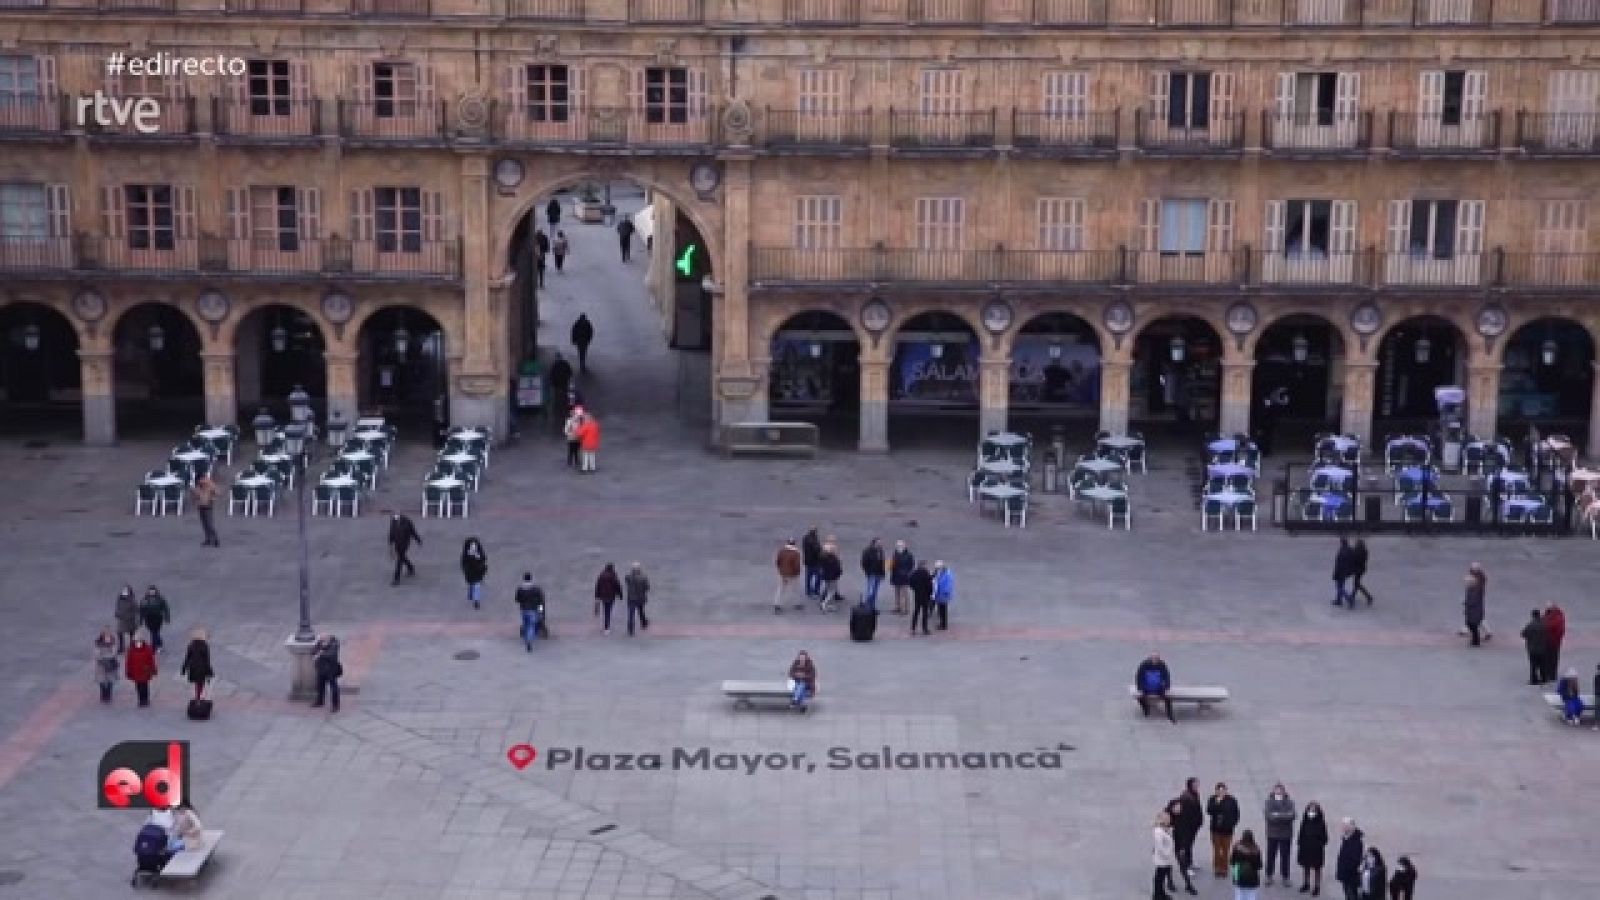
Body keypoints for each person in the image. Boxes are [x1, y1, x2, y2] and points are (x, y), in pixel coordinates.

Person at [1171, 778, 1203, 894]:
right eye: (1195, 784)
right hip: (1186, 829)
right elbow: (1186, 815)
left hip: (1192, 827)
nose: (1197, 786)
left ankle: (1190, 862)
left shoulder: (1194, 794)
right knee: (1185, 847)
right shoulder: (1186, 798)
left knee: (1190, 846)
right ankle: (1186, 867)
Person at [1164, 797, 1198, 895]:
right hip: (1168, 845)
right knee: (1168, 864)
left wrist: (1184, 846)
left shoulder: (1183, 816)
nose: (1179, 809)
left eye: (1180, 807)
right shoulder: (1166, 817)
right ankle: (1170, 882)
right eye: (1177, 807)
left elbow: (1186, 832)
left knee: (1183, 865)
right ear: (1172, 808)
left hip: (1179, 845)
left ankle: (1188, 885)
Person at [1263, 783, 1296, 887]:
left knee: (1285, 856)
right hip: (1272, 834)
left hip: (1286, 834)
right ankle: (1269, 875)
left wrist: (1277, 815)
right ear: (1273, 791)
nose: (1278, 791)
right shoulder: (1269, 802)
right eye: (1276, 790)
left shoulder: (1289, 802)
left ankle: (1285, 876)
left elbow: (1292, 815)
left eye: (1280, 790)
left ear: (1284, 791)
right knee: (1270, 855)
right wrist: (1283, 816)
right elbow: (1268, 816)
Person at [1207, 782, 1240, 879]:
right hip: (1215, 830)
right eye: (1219, 790)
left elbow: (1236, 813)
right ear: (1216, 791)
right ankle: (1217, 868)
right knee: (1217, 850)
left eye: (1223, 790)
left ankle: (1224, 868)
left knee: (1226, 850)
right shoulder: (1212, 799)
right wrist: (1218, 802)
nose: (1221, 792)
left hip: (1227, 830)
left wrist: (1232, 823)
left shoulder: (1232, 800)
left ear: (1226, 790)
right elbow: (1209, 811)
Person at [1297, 801, 1329, 895]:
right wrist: (1301, 844)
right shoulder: (1305, 821)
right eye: (1310, 809)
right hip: (1305, 849)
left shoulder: (1321, 823)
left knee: (1317, 869)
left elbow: (1325, 838)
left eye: (1314, 810)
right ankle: (1306, 884)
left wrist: (1318, 844)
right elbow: (1301, 834)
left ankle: (1316, 887)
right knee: (1305, 867)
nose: (1311, 811)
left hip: (1316, 850)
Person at [1135, 653, 1176, 723]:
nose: (1155, 660)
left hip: (1159, 688)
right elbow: (1139, 677)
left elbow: (1167, 677)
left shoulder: (1163, 665)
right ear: (1150, 658)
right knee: (1140, 698)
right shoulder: (1144, 665)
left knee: (1168, 699)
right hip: (1146, 688)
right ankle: (1146, 709)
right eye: (1153, 658)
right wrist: (1140, 687)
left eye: (1156, 658)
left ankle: (1170, 715)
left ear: (1159, 659)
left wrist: (1166, 686)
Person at [132, 817, 172, 885]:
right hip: (154, 859)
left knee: (144, 862)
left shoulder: (142, 836)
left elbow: (135, 849)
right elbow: (164, 847)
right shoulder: (161, 835)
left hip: (142, 860)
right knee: (166, 856)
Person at [514, 573, 546, 652]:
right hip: (533, 609)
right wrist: (541, 611)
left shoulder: (520, 589)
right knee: (531, 625)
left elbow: (517, 599)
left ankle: (526, 638)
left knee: (525, 624)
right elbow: (541, 601)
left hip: (524, 609)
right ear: (531, 579)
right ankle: (529, 640)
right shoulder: (536, 589)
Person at [1334, 818, 1365, 900]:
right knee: (1347, 894)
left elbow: (1354, 859)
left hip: (1350, 876)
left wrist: (1346, 870)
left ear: (1351, 827)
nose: (1342, 828)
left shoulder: (1356, 842)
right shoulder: (1346, 838)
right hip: (1345, 874)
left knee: (1351, 895)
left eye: (1345, 826)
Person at [125, 630, 157, 708]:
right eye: (137, 641)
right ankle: (140, 699)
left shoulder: (147, 649)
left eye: (140, 640)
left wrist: (153, 669)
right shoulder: (131, 650)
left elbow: (151, 660)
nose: (138, 642)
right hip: (136, 671)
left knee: (145, 686)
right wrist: (128, 671)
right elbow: (128, 661)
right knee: (138, 686)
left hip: (145, 671)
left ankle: (145, 699)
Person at [179, 629, 212, 701]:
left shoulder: (191, 645)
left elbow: (187, 657)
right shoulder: (205, 646)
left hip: (193, 667)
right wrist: (209, 672)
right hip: (202, 667)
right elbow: (207, 660)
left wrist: (183, 668)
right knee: (200, 683)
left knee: (196, 683)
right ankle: (198, 698)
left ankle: (197, 697)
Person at [1230, 829, 1264, 900]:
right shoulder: (1256, 849)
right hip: (1252, 878)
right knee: (1251, 895)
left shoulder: (1237, 847)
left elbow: (1232, 862)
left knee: (1239, 894)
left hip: (1238, 874)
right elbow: (1259, 866)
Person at [388, 513, 422, 584]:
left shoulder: (407, 522)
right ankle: (411, 568)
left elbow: (413, 532)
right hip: (397, 543)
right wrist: (391, 544)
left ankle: (396, 579)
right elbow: (391, 533)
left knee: (399, 560)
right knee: (402, 557)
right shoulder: (393, 521)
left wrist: (418, 540)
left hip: (405, 543)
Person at [312, 634, 342, 712]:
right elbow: (314, 651)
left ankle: (335, 706)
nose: (322, 641)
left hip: (330, 670)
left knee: (334, 687)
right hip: (321, 669)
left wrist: (321, 653)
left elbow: (331, 655)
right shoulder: (319, 642)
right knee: (320, 686)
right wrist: (320, 650)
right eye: (321, 639)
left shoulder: (334, 644)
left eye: (323, 639)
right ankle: (320, 701)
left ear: (328, 639)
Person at [1152, 810, 1177, 900]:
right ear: (1162, 820)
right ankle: (1157, 895)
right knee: (1159, 877)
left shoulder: (1164, 829)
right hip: (1162, 859)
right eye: (1167, 818)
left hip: (1166, 858)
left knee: (1161, 877)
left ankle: (1161, 893)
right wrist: (1167, 855)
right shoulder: (1158, 831)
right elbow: (1160, 846)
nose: (1169, 820)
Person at [1462, 562, 1488, 646]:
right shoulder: (1473, 587)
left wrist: (1467, 604)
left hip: (1474, 610)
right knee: (1474, 623)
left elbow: (1473, 600)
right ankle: (1477, 638)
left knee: (1474, 624)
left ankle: (1476, 640)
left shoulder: (1476, 587)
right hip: (1473, 610)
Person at [1521, 608, 1549, 685]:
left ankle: (1534, 679)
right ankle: (1544, 678)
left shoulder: (1530, 625)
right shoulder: (1544, 625)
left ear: (1533, 616)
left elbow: (1523, 634)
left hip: (1532, 649)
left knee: (1533, 665)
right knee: (1542, 664)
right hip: (1542, 648)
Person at [774, 539, 802, 614]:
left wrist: (780, 570)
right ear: (794, 544)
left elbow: (777, 562)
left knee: (781, 589)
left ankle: (777, 604)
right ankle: (797, 603)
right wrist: (797, 573)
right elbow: (796, 565)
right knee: (795, 589)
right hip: (792, 575)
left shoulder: (781, 551)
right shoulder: (796, 553)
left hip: (782, 574)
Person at [594, 563, 623, 634]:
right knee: (608, 611)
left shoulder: (601, 575)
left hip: (603, 596)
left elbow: (598, 586)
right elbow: (617, 585)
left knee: (605, 610)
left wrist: (597, 596)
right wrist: (620, 594)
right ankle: (607, 627)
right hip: (611, 596)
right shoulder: (613, 575)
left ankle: (606, 626)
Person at [139, 586, 170, 653]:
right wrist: (141, 620)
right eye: (150, 591)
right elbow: (141, 610)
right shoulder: (145, 600)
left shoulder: (160, 599)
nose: (152, 592)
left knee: (154, 632)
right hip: (149, 618)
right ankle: (158, 645)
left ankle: (154, 646)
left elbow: (165, 608)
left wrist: (167, 617)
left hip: (158, 618)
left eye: (153, 591)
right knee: (154, 632)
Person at [460, 537, 488, 609]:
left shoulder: (479, 553)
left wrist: (479, 558)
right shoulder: (466, 555)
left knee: (477, 585)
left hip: (477, 572)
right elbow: (463, 564)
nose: (473, 548)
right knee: (471, 584)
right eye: (472, 547)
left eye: (474, 547)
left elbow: (484, 558)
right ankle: (471, 594)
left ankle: (476, 601)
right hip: (470, 573)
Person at [192, 474, 220, 547]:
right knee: (204, 524)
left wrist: (212, 499)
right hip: (201, 505)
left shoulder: (210, 485)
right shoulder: (198, 486)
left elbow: (217, 493)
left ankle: (215, 539)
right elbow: (196, 494)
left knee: (209, 524)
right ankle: (208, 539)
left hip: (208, 506)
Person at [859, 538, 886, 613]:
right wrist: (867, 571)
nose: (880, 544)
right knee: (870, 591)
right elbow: (864, 562)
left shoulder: (880, 551)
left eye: (880, 543)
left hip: (878, 573)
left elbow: (882, 563)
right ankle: (867, 606)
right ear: (874, 543)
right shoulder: (867, 551)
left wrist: (883, 573)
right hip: (871, 573)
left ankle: (872, 606)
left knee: (875, 592)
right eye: (878, 543)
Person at [908, 560, 935, 636]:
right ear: (924, 566)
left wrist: (915, 589)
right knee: (925, 612)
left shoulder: (914, 573)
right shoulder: (926, 573)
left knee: (916, 611)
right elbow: (930, 584)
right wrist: (930, 593)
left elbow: (910, 582)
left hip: (917, 595)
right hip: (925, 595)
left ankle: (913, 628)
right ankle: (925, 629)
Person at [889, 539, 915, 616]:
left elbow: (911, 565)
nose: (899, 547)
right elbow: (891, 564)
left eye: (900, 545)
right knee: (897, 593)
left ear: (904, 546)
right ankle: (898, 607)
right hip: (896, 576)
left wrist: (907, 572)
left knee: (904, 593)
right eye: (898, 545)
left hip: (904, 577)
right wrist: (889, 566)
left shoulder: (909, 555)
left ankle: (905, 609)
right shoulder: (895, 554)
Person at [94, 626, 119, 704]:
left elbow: (114, 653)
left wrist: (107, 657)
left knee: (110, 680)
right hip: (101, 665)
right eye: (105, 634)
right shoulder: (98, 643)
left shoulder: (113, 643)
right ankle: (103, 694)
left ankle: (108, 694)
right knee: (102, 680)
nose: (107, 636)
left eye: (108, 634)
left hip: (110, 664)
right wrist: (103, 658)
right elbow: (97, 654)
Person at [625, 563, 650, 635]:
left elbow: (627, 581)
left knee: (631, 614)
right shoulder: (644, 577)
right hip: (641, 597)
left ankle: (630, 630)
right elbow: (647, 587)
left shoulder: (628, 577)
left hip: (631, 598)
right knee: (641, 611)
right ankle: (644, 623)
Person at [816, 541, 843, 612]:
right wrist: (839, 574)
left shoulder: (822, 557)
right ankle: (824, 604)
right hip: (832, 577)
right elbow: (837, 569)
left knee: (828, 589)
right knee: (832, 591)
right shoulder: (833, 559)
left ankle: (825, 603)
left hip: (826, 576)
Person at [1544, 602, 1567, 682]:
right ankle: (1549, 674)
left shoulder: (1557, 617)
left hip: (1553, 641)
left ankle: (1551, 675)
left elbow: (1556, 628)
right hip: (1550, 641)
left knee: (1552, 658)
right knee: (1549, 658)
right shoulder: (1550, 615)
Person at [549, 353, 574, 421]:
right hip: (564, 382)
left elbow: (551, 374)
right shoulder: (565, 364)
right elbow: (570, 372)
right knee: (564, 394)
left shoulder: (554, 365)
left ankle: (557, 407)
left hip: (556, 383)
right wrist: (567, 378)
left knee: (557, 395)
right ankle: (564, 406)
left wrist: (551, 382)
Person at [1331, 538, 1355, 607]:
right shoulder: (1350, 550)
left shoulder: (1342, 551)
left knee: (1339, 587)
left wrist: (1336, 573)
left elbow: (1339, 563)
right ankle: (1339, 600)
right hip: (1346, 571)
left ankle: (1349, 599)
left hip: (1341, 571)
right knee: (1341, 586)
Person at [932, 560, 956, 630]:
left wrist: (945, 592)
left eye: (938, 568)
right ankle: (942, 623)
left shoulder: (947, 574)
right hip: (939, 595)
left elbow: (948, 585)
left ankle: (944, 625)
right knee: (940, 610)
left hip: (943, 595)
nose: (937, 569)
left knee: (943, 611)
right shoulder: (939, 573)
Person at [801, 527, 823, 600]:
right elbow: (817, 550)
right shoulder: (814, 541)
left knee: (808, 577)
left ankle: (808, 590)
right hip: (815, 562)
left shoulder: (805, 538)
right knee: (819, 576)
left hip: (807, 561)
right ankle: (816, 591)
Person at [1349, 539, 1372, 605]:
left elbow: (1355, 559)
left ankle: (1368, 596)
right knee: (1356, 583)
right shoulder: (1365, 551)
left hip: (1358, 569)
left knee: (1357, 584)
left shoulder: (1358, 551)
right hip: (1361, 569)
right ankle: (1353, 596)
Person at [115, 585, 138, 652]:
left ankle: (132, 646)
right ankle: (121, 647)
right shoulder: (120, 599)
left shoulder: (132, 601)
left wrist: (132, 616)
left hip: (129, 620)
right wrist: (117, 613)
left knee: (131, 634)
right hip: (122, 619)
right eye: (124, 591)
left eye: (126, 591)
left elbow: (136, 610)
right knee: (119, 633)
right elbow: (117, 607)